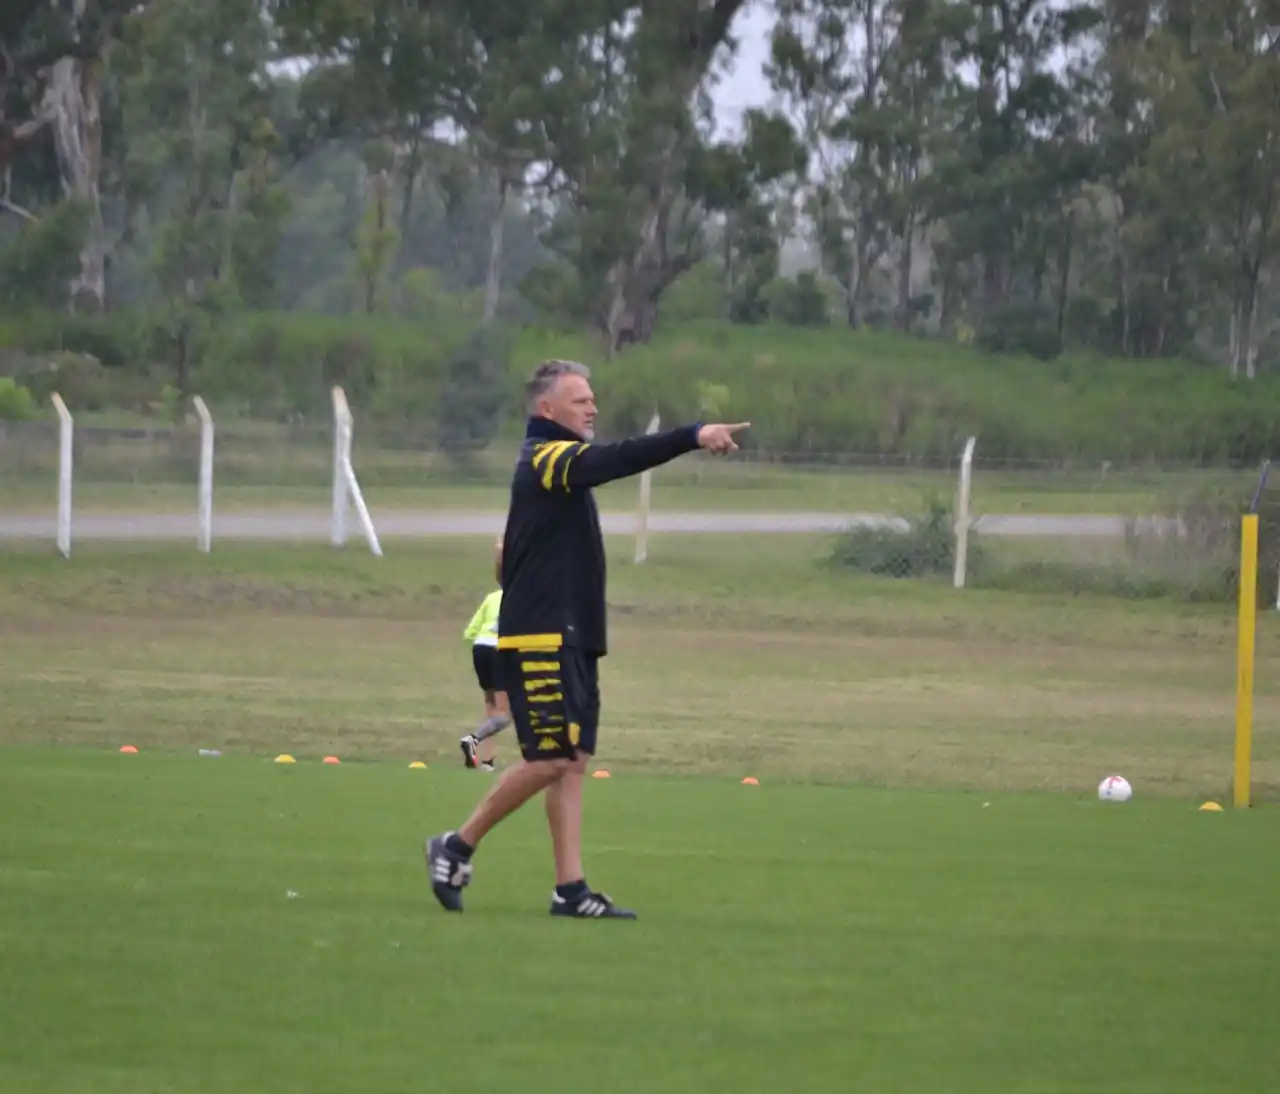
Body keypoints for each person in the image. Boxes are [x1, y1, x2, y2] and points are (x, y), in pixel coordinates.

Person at [425, 358, 748, 919]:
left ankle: (570, 891)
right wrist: (693, 435)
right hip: (541, 639)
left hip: (572, 636)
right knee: (549, 757)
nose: (592, 408)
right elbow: (614, 460)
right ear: (546, 410)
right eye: (580, 401)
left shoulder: (555, 470)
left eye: (593, 399)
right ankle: (455, 846)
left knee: (571, 760)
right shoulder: (547, 457)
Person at [459, 538, 510, 772]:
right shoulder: (521, 597)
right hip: (502, 651)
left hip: (480, 648)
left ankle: (486, 761)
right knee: (506, 714)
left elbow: (470, 631)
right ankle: (473, 740)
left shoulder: (491, 598)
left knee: (491, 707)